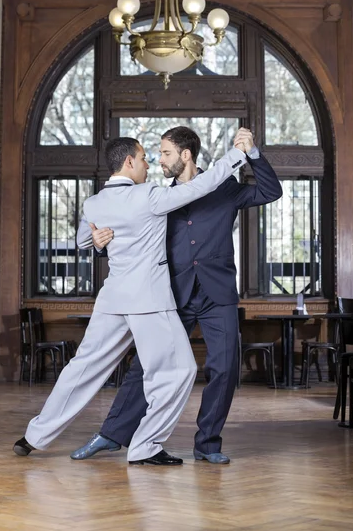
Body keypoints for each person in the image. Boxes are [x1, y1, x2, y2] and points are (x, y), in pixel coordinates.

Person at [13, 133, 249, 466]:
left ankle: (34, 436)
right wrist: (235, 156)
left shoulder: (94, 203)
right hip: (149, 301)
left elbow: (84, 241)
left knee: (83, 367)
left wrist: (97, 241)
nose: (150, 163)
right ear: (129, 162)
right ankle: (146, 446)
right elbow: (202, 186)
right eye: (144, 158)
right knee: (180, 370)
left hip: (112, 299)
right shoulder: (148, 196)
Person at [70, 127, 282, 464]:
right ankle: (111, 435)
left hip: (218, 293)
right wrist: (99, 246)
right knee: (146, 367)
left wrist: (253, 153)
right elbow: (120, 233)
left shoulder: (225, 188)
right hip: (170, 294)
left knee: (224, 368)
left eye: (165, 153)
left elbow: (271, 191)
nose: (158, 160)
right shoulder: (153, 196)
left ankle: (208, 443)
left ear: (185, 155)